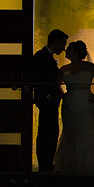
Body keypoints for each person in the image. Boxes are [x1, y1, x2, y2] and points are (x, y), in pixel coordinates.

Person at [52, 40, 94, 172]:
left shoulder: (90, 67)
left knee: (86, 131)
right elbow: (57, 84)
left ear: (76, 51)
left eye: (69, 49)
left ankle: (89, 163)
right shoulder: (64, 69)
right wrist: (64, 95)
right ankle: (71, 164)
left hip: (86, 103)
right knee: (70, 131)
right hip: (70, 104)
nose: (66, 51)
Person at [30, 29, 68, 172]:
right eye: (63, 44)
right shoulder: (41, 57)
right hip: (47, 102)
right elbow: (38, 78)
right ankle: (45, 163)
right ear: (56, 41)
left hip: (50, 102)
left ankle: (46, 162)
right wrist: (47, 96)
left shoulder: (45, 56)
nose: (63, 48)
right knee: (47, 131)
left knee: (49, 130)